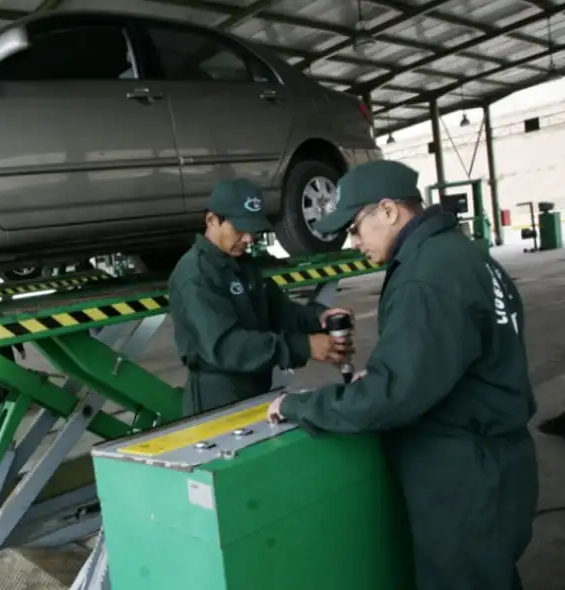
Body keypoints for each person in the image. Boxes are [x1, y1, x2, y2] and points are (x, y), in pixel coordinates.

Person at [266, 159, 539, 590]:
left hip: (462, 473)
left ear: (389, 211)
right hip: (499, 458)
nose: (354, 243)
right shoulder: (463, 254)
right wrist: (386, 376)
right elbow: (445, 357)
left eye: (355, 228)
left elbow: (392, 396)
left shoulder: (425, 276)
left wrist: (300, 404)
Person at [168, 177, 354, 416]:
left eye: (252, 231)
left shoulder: (244, 264)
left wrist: (320, 318)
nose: (248, 239)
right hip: (217, 399)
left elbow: (279, 311)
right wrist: (302, 346)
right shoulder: (195, 275)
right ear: (212, 220)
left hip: (255, 388)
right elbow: (227, 346)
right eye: (239, 229)